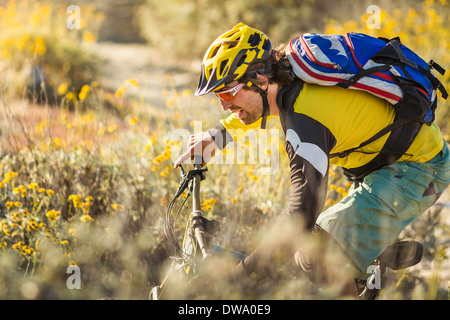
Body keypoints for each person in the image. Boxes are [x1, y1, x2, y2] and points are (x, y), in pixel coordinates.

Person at [174, 22, 450, 296]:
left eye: (226, 93)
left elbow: (301, 214)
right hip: (385, 162)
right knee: (309, 252)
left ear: (260, 79)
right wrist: (217, 135)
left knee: (313, 255)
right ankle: (366, 256)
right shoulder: (292, 69)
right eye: (217, 95)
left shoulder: (305, 121)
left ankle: (359, 257)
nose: (223, 104)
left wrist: (241, 273)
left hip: (418, 169)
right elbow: (252, 107)